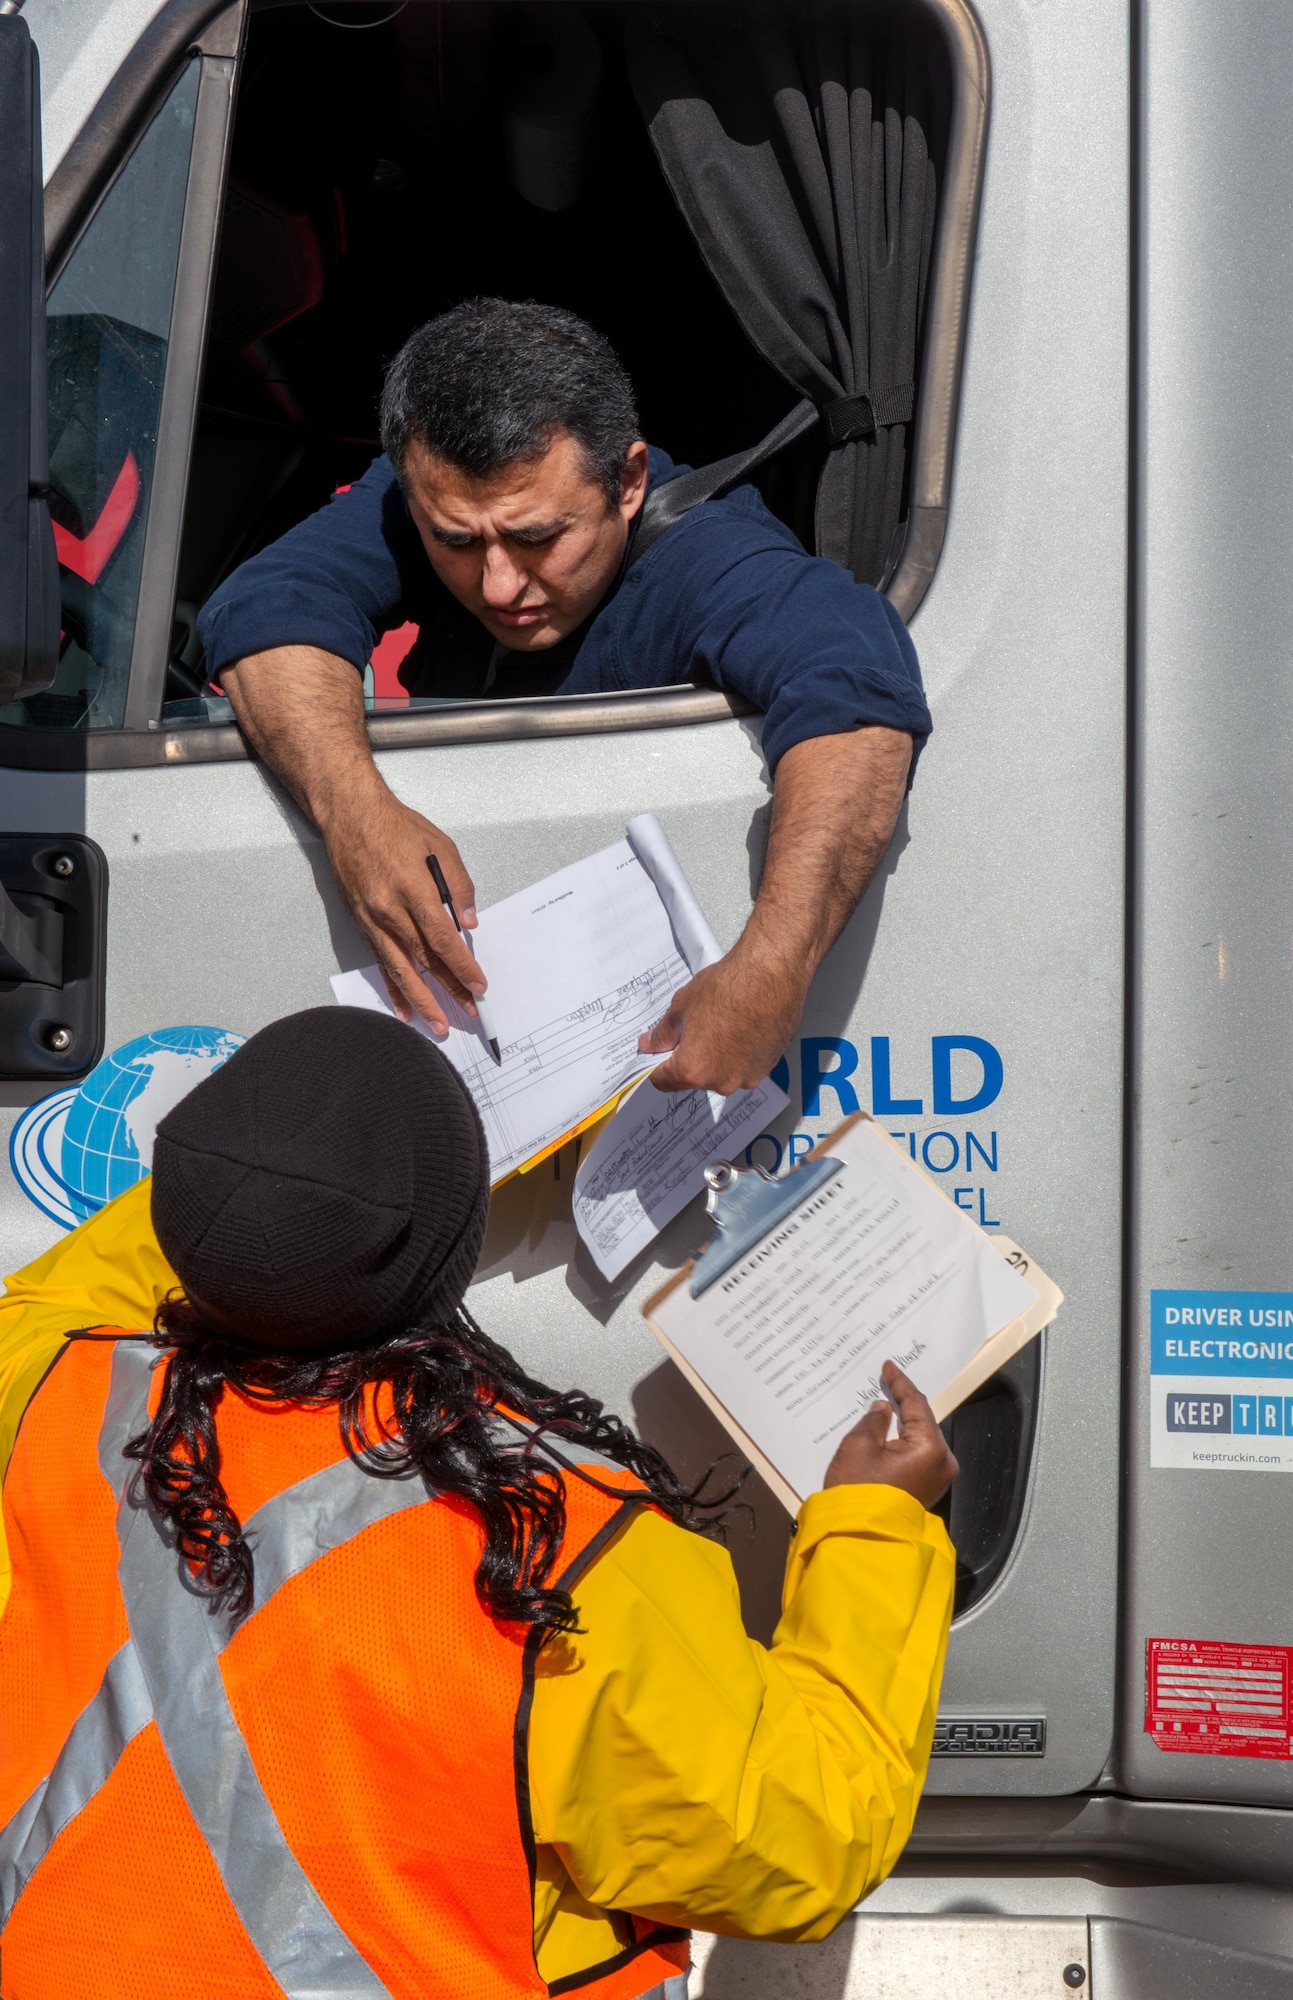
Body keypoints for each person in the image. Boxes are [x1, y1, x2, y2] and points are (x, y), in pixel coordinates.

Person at [0, 1008, 956, 2000]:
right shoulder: (557, 1545)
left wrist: (300, 1157)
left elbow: (103, 1267)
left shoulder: (39, 1389)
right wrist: (875, 1523)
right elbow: (801, 1836)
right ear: (448, 1261)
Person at [199, 300, 933, 1097]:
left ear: (628, 480)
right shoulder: (439, 499)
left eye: (539, 538)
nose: (499, 583)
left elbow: (857, 697)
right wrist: (354, 815)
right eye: (455, 542)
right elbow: (265, 607)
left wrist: (772, 968)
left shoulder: (710, 558)